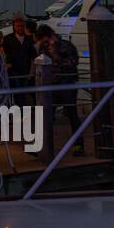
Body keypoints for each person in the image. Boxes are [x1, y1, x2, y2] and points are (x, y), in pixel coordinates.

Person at [35, 24, 84, 155]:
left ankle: (79, 145)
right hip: (52, 85)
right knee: (47, 115)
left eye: (45, 40)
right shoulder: (43, 47)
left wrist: (56, 57)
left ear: (51, 35)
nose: (45, 43)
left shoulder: (66, 45)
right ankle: (41, 146)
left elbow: (74, 62)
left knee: (72, 115)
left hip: (67, 84)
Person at [2, 16, 36, 108]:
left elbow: (33, 56)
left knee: (25, 92)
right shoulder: (8, 39)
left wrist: (31, 72)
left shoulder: (29, 39)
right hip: (13, 70)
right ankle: (18, 112)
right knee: (17, 93)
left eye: (21, 26)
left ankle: (24, 111)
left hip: (26, 70)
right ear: (14, 27)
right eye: (17, 26)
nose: (20, 28)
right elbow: (7, 54)